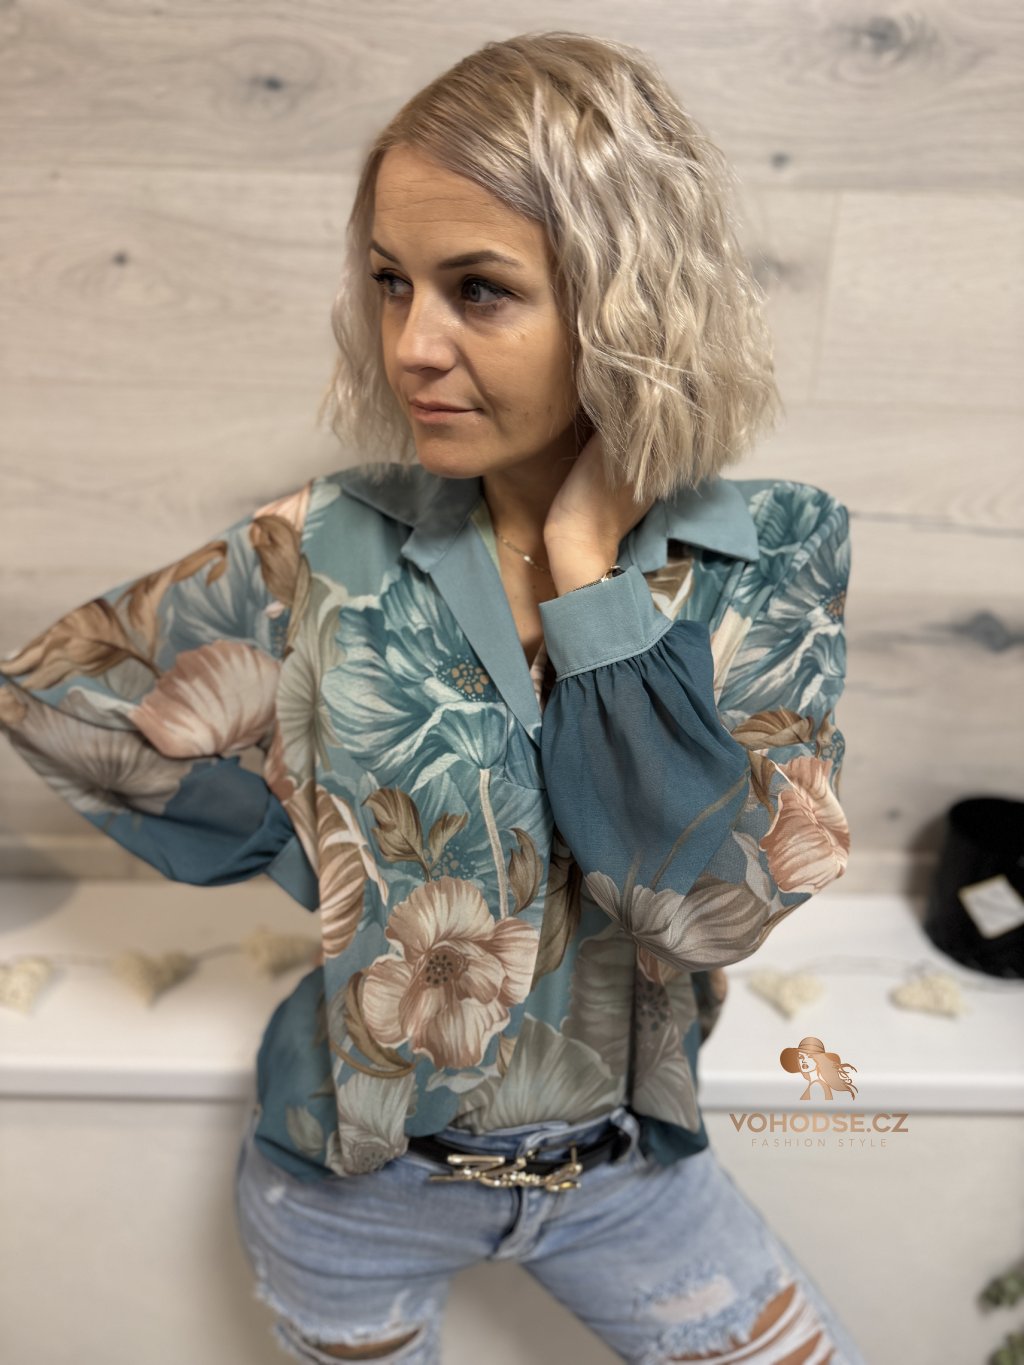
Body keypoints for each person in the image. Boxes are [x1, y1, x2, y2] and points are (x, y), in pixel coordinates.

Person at [0, 30, 866, 1365]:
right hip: (349, 1190)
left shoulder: (772, 551)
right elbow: (66, 695)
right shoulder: (322, 543)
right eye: (392, 282)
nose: (412, 343)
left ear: (626, 301)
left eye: (479, 290)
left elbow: (704, 909)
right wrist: (320, 839)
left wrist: (588, 572)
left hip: (628, 1180)